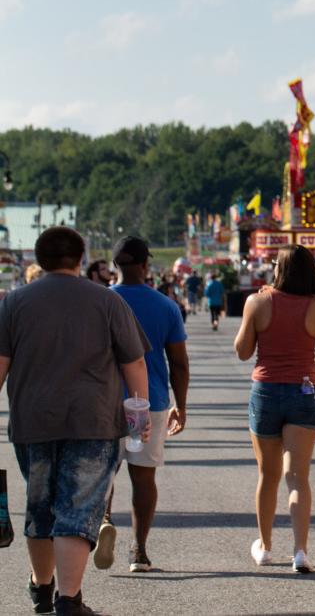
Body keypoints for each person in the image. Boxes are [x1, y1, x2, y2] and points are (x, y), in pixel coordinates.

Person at [0, 226, 150, 616]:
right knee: (77, 510)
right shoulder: (107, 302)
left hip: (32, 422)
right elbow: (133, 362)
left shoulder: (14, 303)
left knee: (41, 508)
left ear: (38, 258)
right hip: (94, 421)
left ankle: (41, 587)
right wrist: (139, 415)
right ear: (81, 258)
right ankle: (70, 598)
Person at [232, 245, 315, 574]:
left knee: (268, 474)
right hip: (304, 391)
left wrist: (253, 316)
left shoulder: (258, 302)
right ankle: (300, 551)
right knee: (298, 477)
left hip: (266, 391)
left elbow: (243, 352)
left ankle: (265, 546)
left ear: (279, 269)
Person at [95, 237, 189, 575]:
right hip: (149, 404)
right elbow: (178, 362)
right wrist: (182, 405)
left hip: (105, 403)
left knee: (104, 470)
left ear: (115, 265)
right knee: (143, 476)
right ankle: (139, 551)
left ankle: (103, 520)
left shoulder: (102, 302)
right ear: (146, 265)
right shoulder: (165, 306)